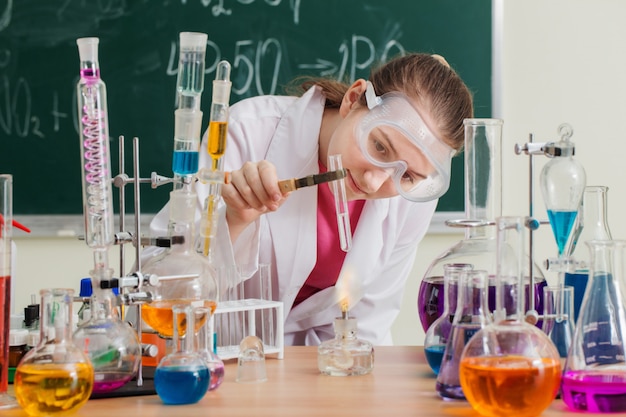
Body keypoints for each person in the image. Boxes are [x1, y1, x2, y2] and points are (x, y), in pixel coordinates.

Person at [150, 53, 473, 346]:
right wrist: (233, 221)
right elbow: (159, 287)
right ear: (353, 99)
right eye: (379, 147)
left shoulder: (411, 195)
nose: (375, 180)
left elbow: (370, 322)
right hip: (231, 363)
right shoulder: (247, 133)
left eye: (405, 175)